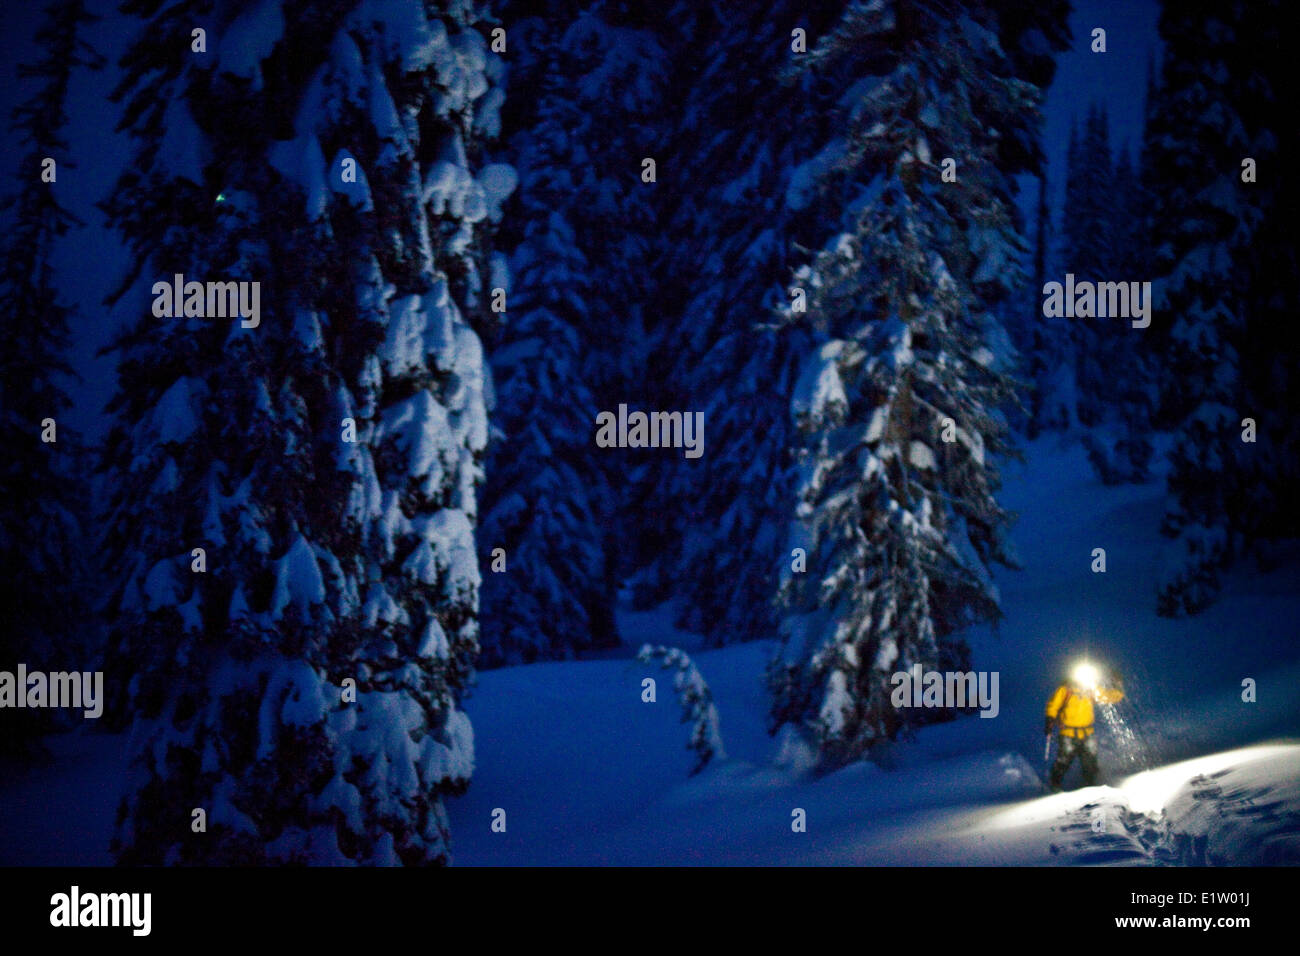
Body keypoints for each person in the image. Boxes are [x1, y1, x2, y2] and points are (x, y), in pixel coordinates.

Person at [1044, 661, 1124, 791]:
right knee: (1064, 760)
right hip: (1068, 733)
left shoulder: (1091, 689)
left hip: (1087, 733)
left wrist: (1117, 685)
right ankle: (1055, 784)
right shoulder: (1065, 690)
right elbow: (1053, 706)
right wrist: (1049, 719)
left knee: (1090, 762)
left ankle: (1090, 787)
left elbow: (1108, 697)